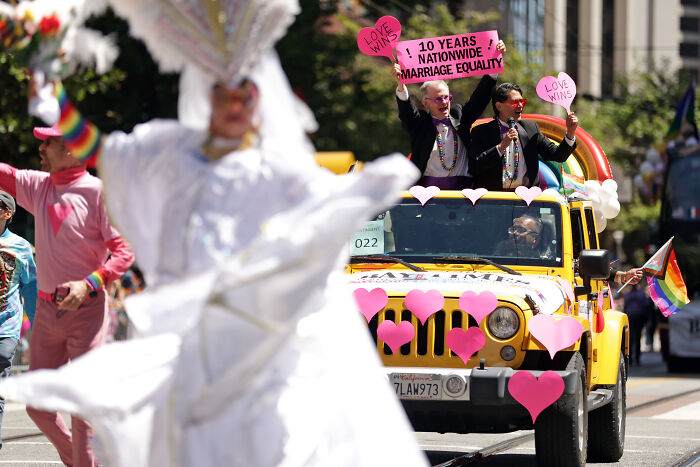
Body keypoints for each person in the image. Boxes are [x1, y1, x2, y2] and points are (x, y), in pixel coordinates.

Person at [5, 20, 430, 467]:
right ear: (203, 98)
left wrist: (370, 186)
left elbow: (322, 212)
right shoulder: (172, 153)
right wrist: (55, 100)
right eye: (220, 93)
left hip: (261, 350)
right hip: (197, 343)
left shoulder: (279, 169)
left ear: (259, 101)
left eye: (243, 94)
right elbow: (98, 149)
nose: (232, 103)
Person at [0, 129, 135, 466]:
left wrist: (90, 282)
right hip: (48, 312)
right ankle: (78, 459)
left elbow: (123, 251)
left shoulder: (99, 193)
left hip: (87, 310)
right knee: (38, 407)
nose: (41, 148)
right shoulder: (39, 185)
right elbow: (5, 173)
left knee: (83, 408)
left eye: (50, 143)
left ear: (74, 151)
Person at [391, 41, 506, 189]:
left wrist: (495, 60)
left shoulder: (459, 116)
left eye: (447, 97)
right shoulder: (421, 124)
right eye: (438, 99)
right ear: (426, 103)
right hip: (429, 197)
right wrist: (401, 84)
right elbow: (407, 113)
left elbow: (479, 98)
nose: (444, 102)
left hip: (464, 194)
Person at [469, 82, 578, 191]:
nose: (520, 105)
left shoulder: (531, 128)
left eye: (522, 101)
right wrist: (501, 147)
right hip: (494, 199)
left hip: (526, 199)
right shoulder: (481, 131)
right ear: (499, 106)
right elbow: (475, 166)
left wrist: (571, 132)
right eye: (515, 102)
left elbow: (558, 155)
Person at [0, 190, 37, 451]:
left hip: (6, 327)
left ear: (6, 213)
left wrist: (39, 327)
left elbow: (30, 289)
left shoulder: (21, 247)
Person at [623, 283, 654, 365]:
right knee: (637, 338)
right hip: (638, 318)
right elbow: (647, 306)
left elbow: (625, 308)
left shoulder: (627, 295)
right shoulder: (641, 294)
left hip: (632, 318)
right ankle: (636, 358)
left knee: (631, 338)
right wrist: (649, 319)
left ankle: (631, 359)